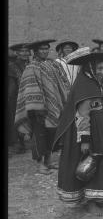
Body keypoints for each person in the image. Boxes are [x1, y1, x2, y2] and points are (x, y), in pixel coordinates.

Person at [53, 47, 103, 215]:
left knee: (102, 164)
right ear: (89, 68)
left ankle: (100, 197)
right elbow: (82, 115)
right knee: (90, 164)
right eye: (99, 68)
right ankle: (90, 202)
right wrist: (85, 140)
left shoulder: (95, 82)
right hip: (92, 133)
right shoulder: (84, 85)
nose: (102, 72)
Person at [15, 40, 70, 175]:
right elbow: (29, 87)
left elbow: (62, 81)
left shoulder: (52, 65)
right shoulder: (31, 67)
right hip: (38, 108)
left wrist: (65, 97)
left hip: (55, 107)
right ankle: (40, 165)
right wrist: (38, 107)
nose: (45, 51)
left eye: (47, 48)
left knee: (52, 134)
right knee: (39, 136)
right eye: (42, 49)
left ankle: (48, 161)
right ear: (35, 51)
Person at [8, 43, 31, 155]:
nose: (25, 53)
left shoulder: (31, 64)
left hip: (30, 97)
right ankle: (17, 143)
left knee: (28, 119)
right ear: (17, 53)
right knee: (16, 119)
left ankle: (24, 141)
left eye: (27, 51)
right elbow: (11, 86)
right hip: (16, 98)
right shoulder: (12, 66)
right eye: (22, 51)